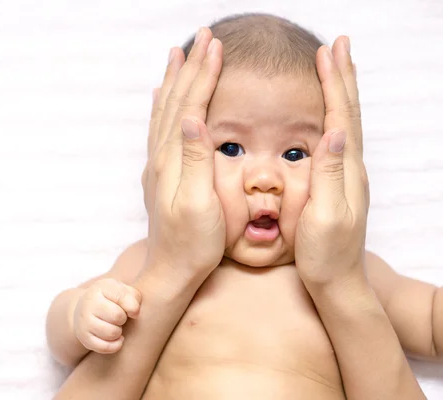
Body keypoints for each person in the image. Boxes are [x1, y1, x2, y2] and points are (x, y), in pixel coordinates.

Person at [46, 13, 434, 399]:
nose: (264, 178)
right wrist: (82, 315)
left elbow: (431, 321)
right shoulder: (148, 262)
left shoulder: (357, 270)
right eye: (230, 148)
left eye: (295, 153)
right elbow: (63, 342)